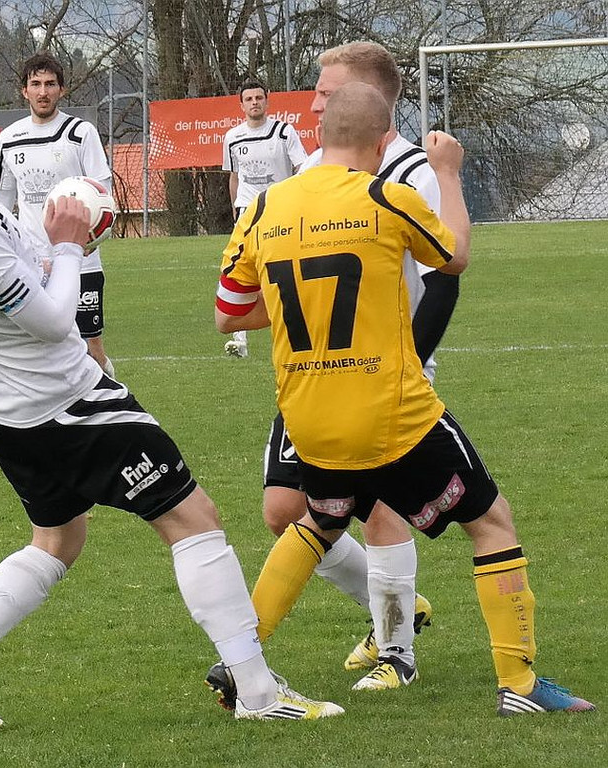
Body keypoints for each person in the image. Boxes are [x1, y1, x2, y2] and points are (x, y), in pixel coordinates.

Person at [0, 87, 343, 728]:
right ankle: (258, 692)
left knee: (57, 539)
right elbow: (55, 322)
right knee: (193, 518)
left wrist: (47, 242)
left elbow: (8, 258)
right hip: (69, 405)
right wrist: (69, 245)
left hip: (0, 412)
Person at [213, 80, 595, 716]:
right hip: (392, 412)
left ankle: (237, 662)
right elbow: (454, 258)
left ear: (320, 135)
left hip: (309, 417)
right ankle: (520, 684)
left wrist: (304, 305)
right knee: (491, 523)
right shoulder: (384, 197)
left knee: (322, 522)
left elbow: (229, 314)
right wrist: (447, 174)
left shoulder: (262, 208)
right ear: (381, 141)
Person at [211, 43, 450, 702]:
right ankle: (393, 608)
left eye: (325, 92)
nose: (313, 104)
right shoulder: (313, 172)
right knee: (284, 510)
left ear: (367, 97)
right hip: (313, 373)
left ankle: (395, 648)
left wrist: (409, 363)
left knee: (378, 511)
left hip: (386, 375)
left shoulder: (411, 173)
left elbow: (444, 278)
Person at [0, 52, 114, 375]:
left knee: (91, 349)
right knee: (41, 351)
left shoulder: (81, 132)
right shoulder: (9, 138)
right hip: (32, 263)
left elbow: (103, 196)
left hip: (81, 260)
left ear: (62, 89)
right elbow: (2, 201)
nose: (43, 92)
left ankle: (112, 394)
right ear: (25, 91)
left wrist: (87, 242)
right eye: (35, 84)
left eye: (50, 84)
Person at [221, 79, 308, 359]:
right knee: (240, 268)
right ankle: (239, 339)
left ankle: (293, 327)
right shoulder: (232, 137)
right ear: (241, 105)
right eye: (249, 99)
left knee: (283, 266)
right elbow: (234, 176)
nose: (254, 103)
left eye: (259, 97)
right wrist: (235, 207)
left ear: (267, 101)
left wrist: (295, 199)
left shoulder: (283, 132)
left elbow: (302, 167)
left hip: (279, 207)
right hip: (247, 209)